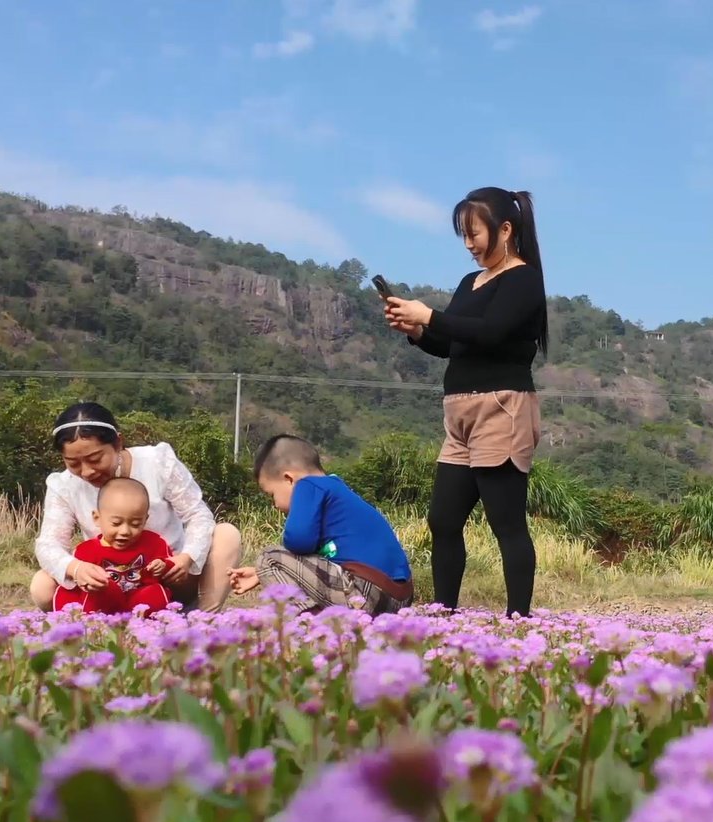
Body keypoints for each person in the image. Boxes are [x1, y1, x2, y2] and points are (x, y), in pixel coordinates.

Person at [381, 186, 546, 618]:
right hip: (459, 416)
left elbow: (490, 332)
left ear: (505, 230)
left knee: (506, 522)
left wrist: (429, 315)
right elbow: (452, 343)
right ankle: (444, 612)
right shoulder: (469, 282)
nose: (469, 245)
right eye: (464, 236)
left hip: (501, 409)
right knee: (443, 519)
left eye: (474, 234)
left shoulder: (524, 279)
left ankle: (518, 619)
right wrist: (416, 330)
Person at [29, 402, 242, 614]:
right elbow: (49, 544)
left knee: (226, 535)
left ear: (118, 443)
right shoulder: (63, 485)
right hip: (106, 586)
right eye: (73, 463)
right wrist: (76, 568)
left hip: (170, 576)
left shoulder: (158, 462)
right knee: (42, 585)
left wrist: (185, 558)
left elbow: (198, 516)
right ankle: (93, 627)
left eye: (95, 459)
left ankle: (202, 620)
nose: (86, 472)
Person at [228, 434, 413, 616]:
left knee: (268, 557)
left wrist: (269, 565)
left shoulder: (308, 485)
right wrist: (262, 573)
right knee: (269, 563)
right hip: (398, 597)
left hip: (363, 591)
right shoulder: (334, 487)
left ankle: (309, 623)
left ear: (289, 479)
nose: (274, 505)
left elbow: (298, 541)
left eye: (272, 495)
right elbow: (317, 560)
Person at [54, 478, 175, 616]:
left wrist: (162, 565)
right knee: (98, 589)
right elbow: (73, 585)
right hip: (104, 606)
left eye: (135, 524)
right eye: (116, 523)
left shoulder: (154, 543)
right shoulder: (86, 551)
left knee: (155, 592)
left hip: (139, 603)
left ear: (145, 520)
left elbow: (170, 564)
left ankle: (146, 627)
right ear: (97, 518)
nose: (125, 531)